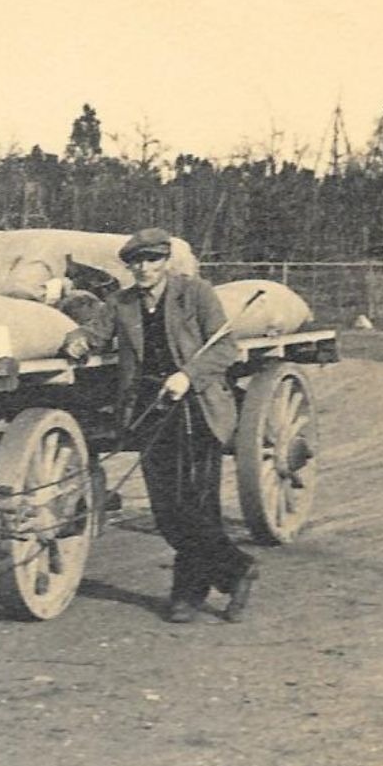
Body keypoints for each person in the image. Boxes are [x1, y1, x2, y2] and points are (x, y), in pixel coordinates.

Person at [62, 227, 257, 622]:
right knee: (167, 511)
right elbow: (95, 333)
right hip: (150, 411)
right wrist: (77, 340)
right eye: (136, 262)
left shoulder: (196, 293)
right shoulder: (122, 302)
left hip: (197, 409)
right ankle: (235, 568)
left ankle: (189, 590)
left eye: (152, 260)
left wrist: (188, 375)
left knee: (197, 507)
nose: (144, 268)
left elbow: (224, 348)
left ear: (166, 261)